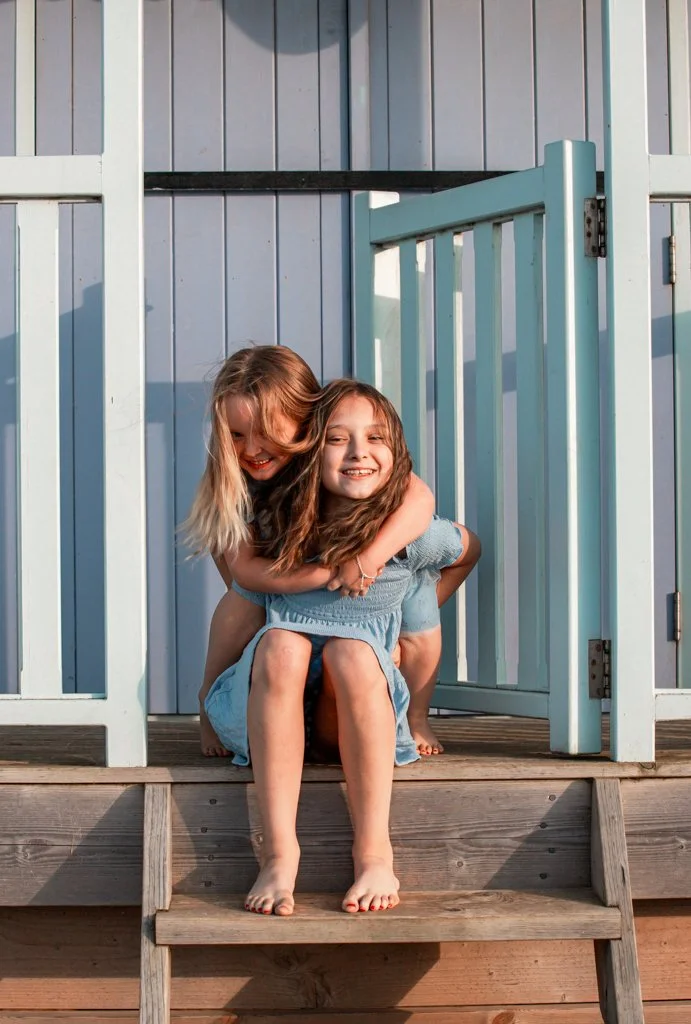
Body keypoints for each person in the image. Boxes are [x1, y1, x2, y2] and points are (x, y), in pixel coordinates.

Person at [205, 379, 481, 917]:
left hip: (350, 711)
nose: (359, 453)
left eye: (376, 438)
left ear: (397, 454)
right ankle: (280, 853)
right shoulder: (275, 523)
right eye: (337, 439)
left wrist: (414, 614)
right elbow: (236, 593)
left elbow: (469, 548)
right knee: (283, 643)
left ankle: (375, 851)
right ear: (309, 449)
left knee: (352, 652)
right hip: (267, 706)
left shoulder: (406, 534)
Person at [186, 345, 468, 760]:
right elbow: (245, 572)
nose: (252, 449)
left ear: (307, 422)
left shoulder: (340, 460)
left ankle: (415, 716)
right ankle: (210, 697)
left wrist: (370, 570)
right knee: (245, 602)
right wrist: (331, 576)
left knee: (418, 599)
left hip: (368, 588)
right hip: (276, 579)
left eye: (267, 432)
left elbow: (422, 501)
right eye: (237, 434)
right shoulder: (239, 477)